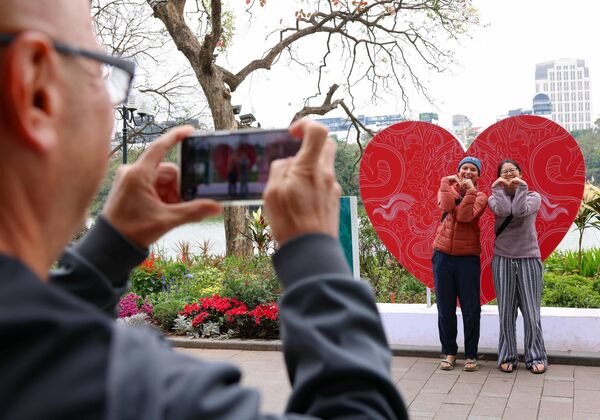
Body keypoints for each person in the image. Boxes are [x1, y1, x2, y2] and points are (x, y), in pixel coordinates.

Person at [0, 1, 408, 418]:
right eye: (101, 74)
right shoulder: (127, 392)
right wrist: (314, 252)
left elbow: (33, 341)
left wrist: (110, 248)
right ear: (34, 90)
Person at [488, 159, 547, 374]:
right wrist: (498, 188)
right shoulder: (494, 198)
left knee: (531, 311)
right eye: (505, 172)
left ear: (521, 173)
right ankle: (507, 355)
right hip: (502, 259)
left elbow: (520, 211)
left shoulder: (533, 197)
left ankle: (536, 355)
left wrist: (521, 187)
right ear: (500, 176)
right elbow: (504, 210)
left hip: (529, 259)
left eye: (513, 171)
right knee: (506, 311)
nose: (509, 174)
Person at [432, 157, 488, 372]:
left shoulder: (481, 196)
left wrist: (471, 191)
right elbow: (446, 206)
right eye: (464, 168)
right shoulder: (447, 189)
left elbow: (465, 217)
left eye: (473, 169)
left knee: (471, 309)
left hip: (467, 258)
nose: (468, 171)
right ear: (458, 171)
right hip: (442, 256)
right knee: (445, 308)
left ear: (478, 175)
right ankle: (449, 352)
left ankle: (471, 354)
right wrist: (445, 184)